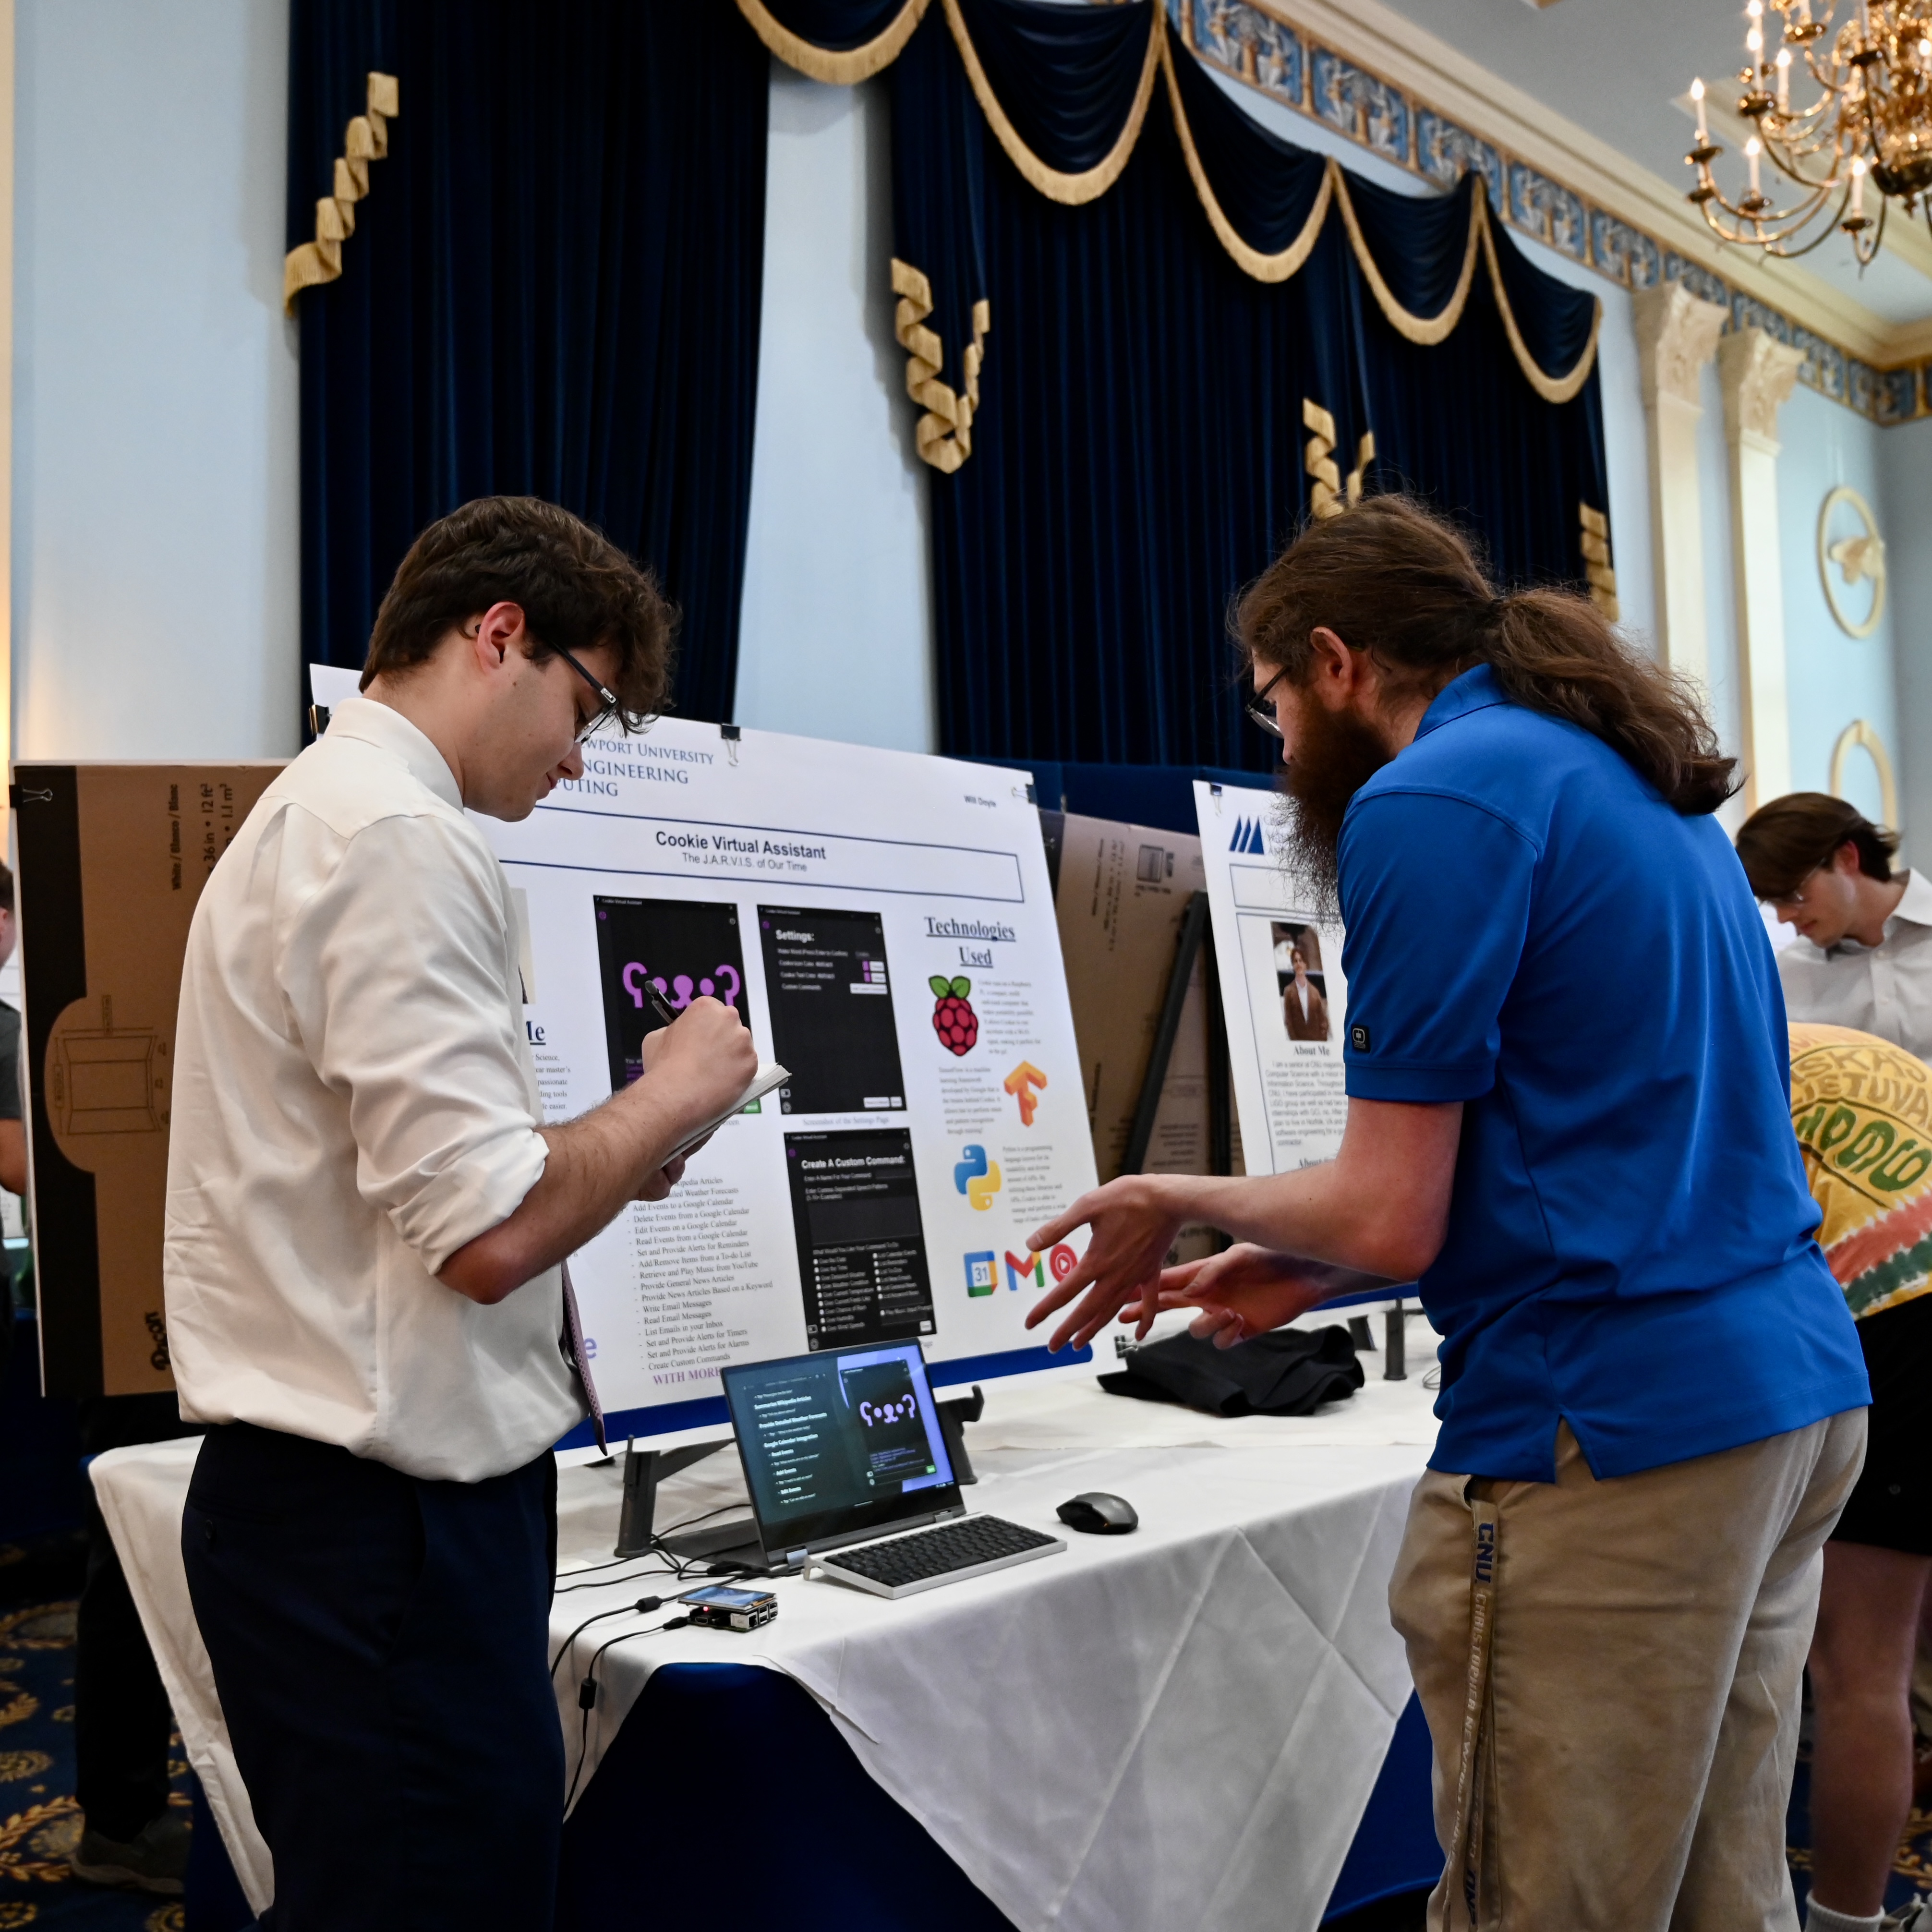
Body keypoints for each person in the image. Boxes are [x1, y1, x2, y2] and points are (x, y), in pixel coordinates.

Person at [1023, 495, 1869, 1931]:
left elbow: (1397, 1211)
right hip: (1785, 1397)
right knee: (1726, 1891)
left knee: (1539, 1900)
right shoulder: (1622, 779)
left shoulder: (1430, 800)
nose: (1279, 747)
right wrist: (1300, 1255)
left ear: (1341, 663)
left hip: (1613, 1428)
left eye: (1276, 704)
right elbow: (1596, 1129)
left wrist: (1177, 1193)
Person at [164, 497, 757, 1931]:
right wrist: (674, 1091)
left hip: (343, 1527)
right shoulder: (398, 842)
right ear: (500, 635)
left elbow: (425, 1195)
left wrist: (614, 1152)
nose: (577, 756)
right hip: (380, 1539)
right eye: (587, 705)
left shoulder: (326, 815)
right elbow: (488, 1233)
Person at [1782, 1023, 1932, 1932]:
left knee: (1854, 1668)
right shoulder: (1799, 1033)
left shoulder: (1689, 1057)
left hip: (1902, 1313)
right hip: (1907, 1294)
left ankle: (1846, 1920)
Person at [1737, 793, 1932, 1061]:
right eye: (1772, 902)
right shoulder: (1788, 975)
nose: (1783, 917)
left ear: (1847, 858)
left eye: (1793, 894)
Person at [1282, 944, 1328, 1041]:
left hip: (1317, 1044)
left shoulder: (1315, 992)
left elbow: (1323, 1020)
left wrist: (1322, 1040)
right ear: (1293, 965)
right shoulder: (1289, 991)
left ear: (1305, 964)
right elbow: (1289, 1021)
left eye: (1301, 961)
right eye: (1296, 961)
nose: (1299, 964)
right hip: (1299, 1045)